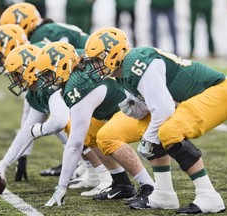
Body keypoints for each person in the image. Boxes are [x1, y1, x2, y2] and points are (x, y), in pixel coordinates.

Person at [84, 27, 227, 213]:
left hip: (219, 91)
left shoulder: (136, 63)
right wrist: (135, 108)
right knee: (133, 128)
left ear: (114, 53)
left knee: (167, 131)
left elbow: (164, 108)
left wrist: (148, 139)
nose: (94, 65)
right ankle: (164, 194)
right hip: (186, 98)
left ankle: (209, 195)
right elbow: (148, 109)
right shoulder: (123, 72)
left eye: (97, 59)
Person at [35, 42, 179, 209]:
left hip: (140, 110)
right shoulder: (76, 64)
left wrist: (61, 188)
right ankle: (122, 183)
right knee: (89, 133)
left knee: (106, 137)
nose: (45, 80)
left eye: (47, 74)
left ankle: (148, 186)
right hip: (124, 108)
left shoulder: (77, 85)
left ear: (64, 66)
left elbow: (75, 145)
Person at [0, 43, 112, 194]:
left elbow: (59, 122)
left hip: (109, 110)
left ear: (29, 70)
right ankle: (94, 174)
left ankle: (106, 176)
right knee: (71, 130)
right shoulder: (35, 92)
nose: (15, 80)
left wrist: (38, 130)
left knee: (72, 128)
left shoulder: (51, 86)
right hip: (95, 114)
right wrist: (4, 164)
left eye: (17, 75)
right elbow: (26, 131)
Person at [0, 2, 91, 177]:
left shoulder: (40, 44)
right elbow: (31, 110)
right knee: (60, 117)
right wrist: (16, 157)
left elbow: (42, 119)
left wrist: (31, 137)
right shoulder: (37, 50)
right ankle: (85, 164)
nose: (1, 61)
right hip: (84, 72)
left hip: (91, 72)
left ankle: (90, 167)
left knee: (67, 121)